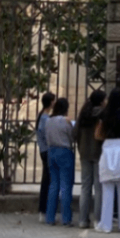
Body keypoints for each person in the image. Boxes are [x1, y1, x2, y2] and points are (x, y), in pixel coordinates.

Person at [94, 88, 120, 233]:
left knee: (107, 190)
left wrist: (108, 136)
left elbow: (97, 135)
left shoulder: (104, 114)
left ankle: (106, 225)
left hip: (108, 148)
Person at [74, 89, 106, 229]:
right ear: (101, 101)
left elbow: (75, 133)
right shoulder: (103, 114)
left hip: (84, 153)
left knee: (85, 187)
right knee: (99, 188)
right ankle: (97, 220)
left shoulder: (83, 114)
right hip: (98, 153)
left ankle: (83, 220)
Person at [44, 97, 75, 227]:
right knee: (65, 186)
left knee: (53, 184)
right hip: (64, 151)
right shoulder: (66, 121)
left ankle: (50, 217)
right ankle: (66, 218)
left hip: (51, 151)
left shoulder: (48, 121)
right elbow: (72, 137)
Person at [35, 91, 56, 223]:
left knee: (47, 180)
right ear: (50, 102)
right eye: (54, 100)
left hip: (44, 150)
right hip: (47, 150)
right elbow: (46, 134)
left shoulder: (42, 116)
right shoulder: (45, 118)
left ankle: (44, 210)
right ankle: (44, 210)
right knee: (48, 181)